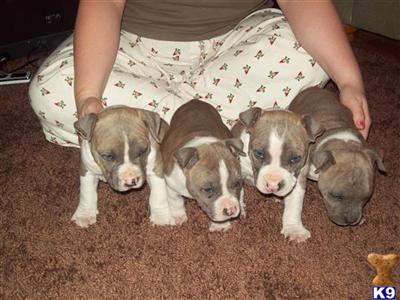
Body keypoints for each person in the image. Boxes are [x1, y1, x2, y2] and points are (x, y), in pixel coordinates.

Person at [29, 0, 370, 147]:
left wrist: (349, 82)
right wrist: (88, 94)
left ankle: (166, 129)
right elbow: (103, 4)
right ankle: (221, 125)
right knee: (51, 90)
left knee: (305, 55)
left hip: (232, 46)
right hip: (131, 47)